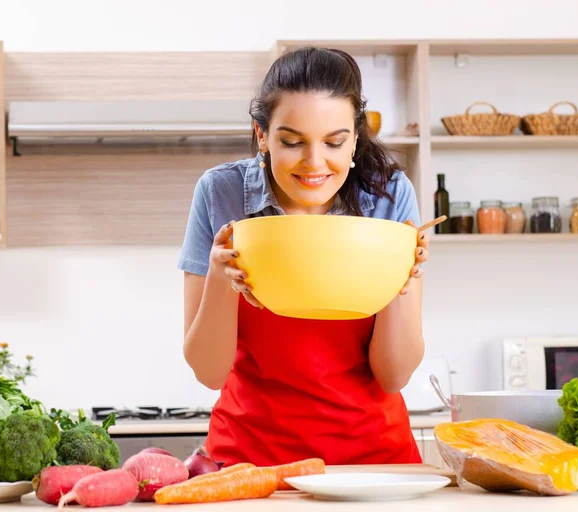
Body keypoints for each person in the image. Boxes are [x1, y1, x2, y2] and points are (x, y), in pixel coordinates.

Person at [178, 46, 429, 467]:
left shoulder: (389, 194)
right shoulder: (219, 193)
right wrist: (222, 280)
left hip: (375, 466)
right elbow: (209, 373)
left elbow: (394, 374)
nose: (315, 163)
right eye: (292, 142)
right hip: (247, 466)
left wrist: (397, 279)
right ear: (262, 136)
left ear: (355, 139)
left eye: (335, 142)